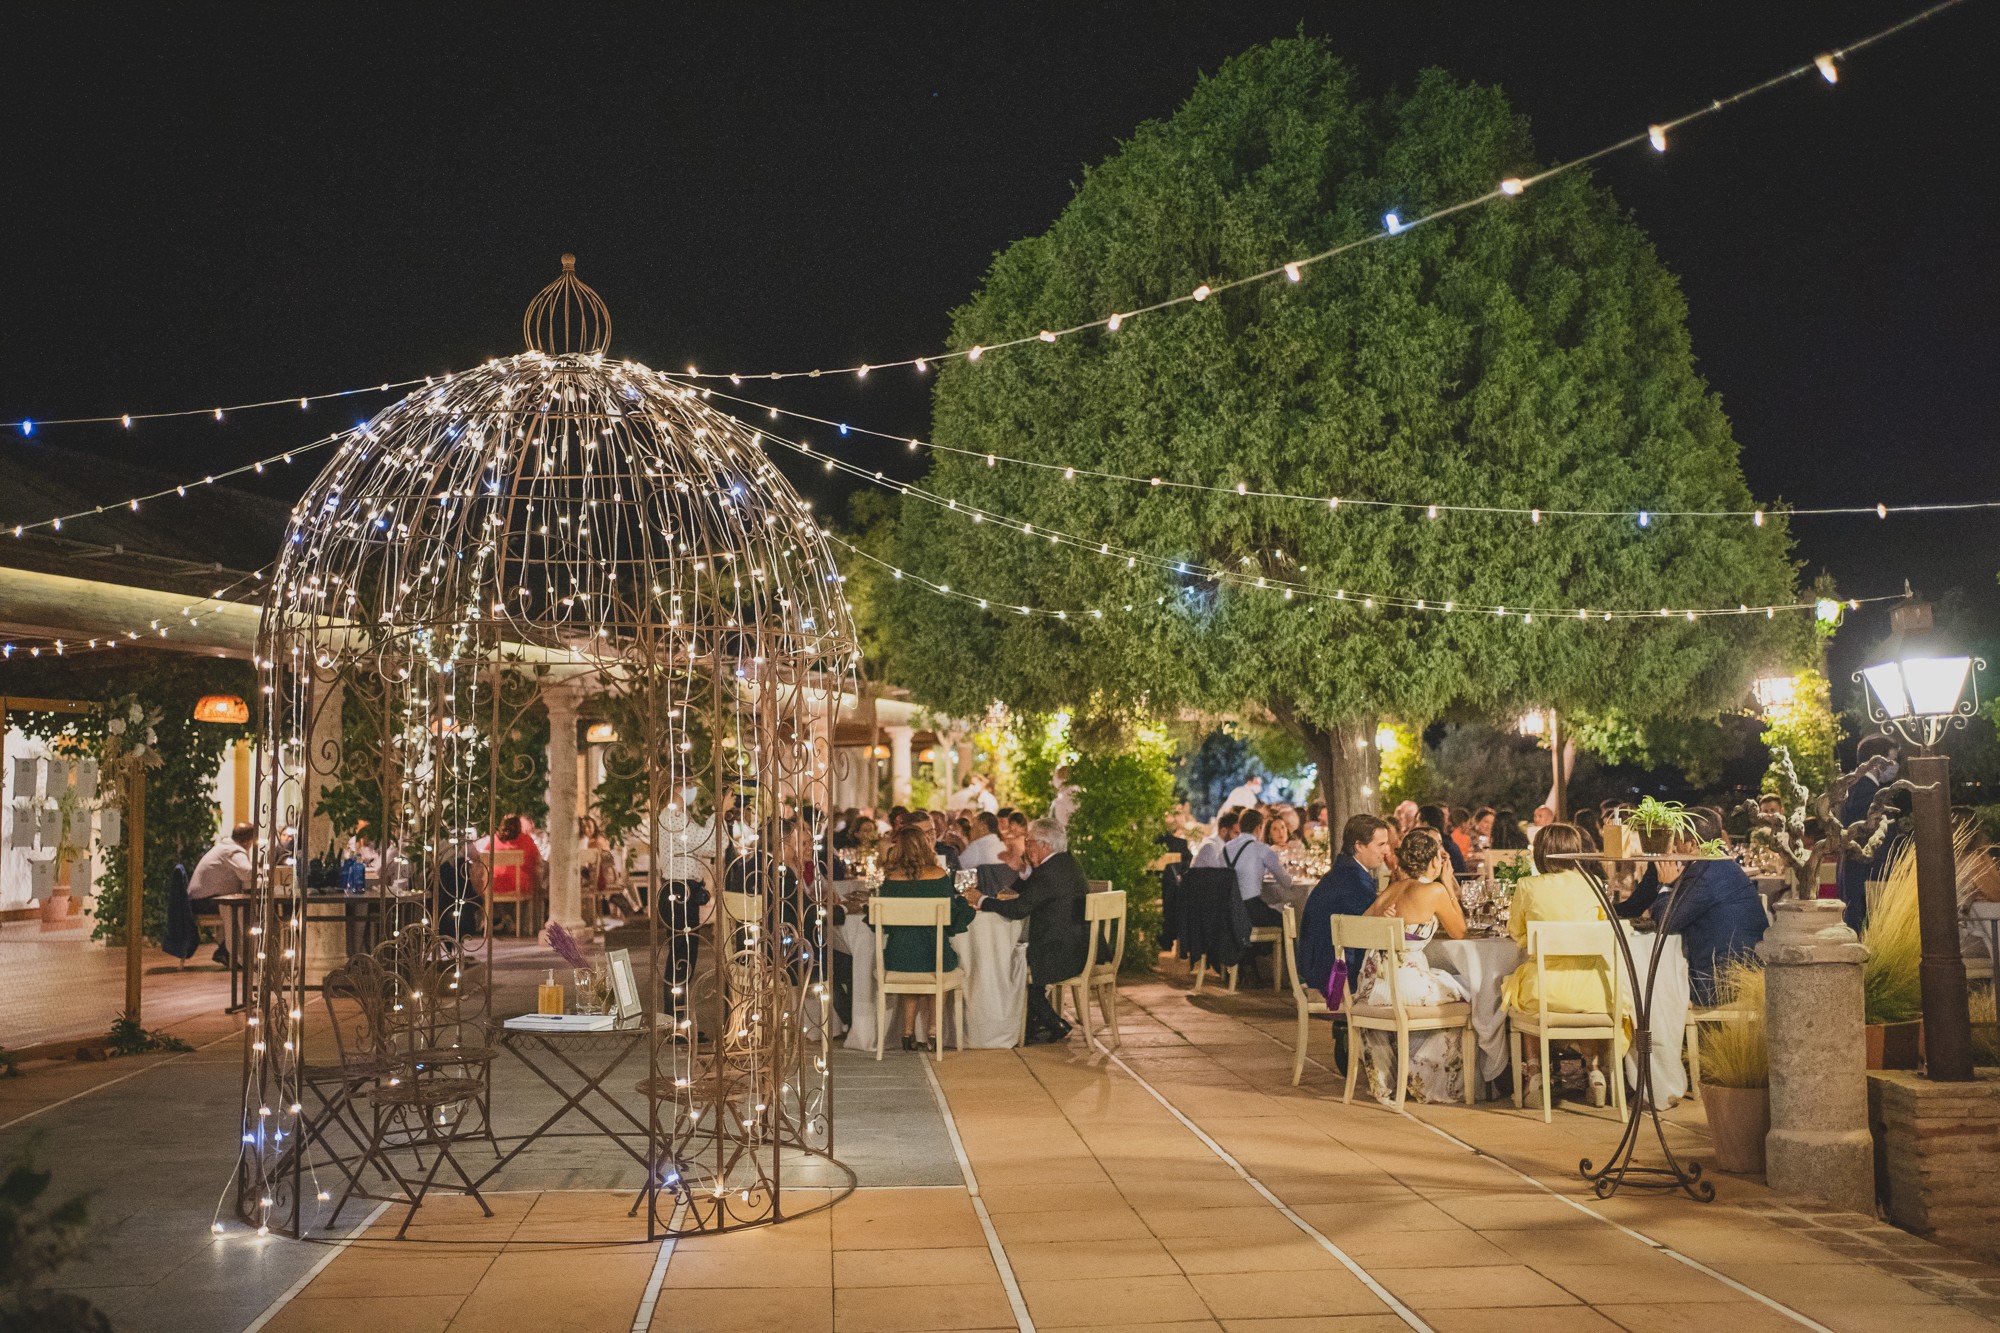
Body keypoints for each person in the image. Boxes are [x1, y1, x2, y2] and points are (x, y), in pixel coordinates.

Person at [1355, 827, 1470, 1103]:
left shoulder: (1391, 890)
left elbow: (1359, 927)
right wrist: (1447, 882)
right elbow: (1460, 931)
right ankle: (1431, 1081)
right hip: (1405, 986)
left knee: (1448, 983)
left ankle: (1404, 1076)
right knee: (1468, 995)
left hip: (1373, 986)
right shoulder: (1433, 890)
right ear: (1434, 862)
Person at [1615, 810, 1768, 1006]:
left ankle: (1655, 1035)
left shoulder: (1705, 875)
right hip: (1744, 972)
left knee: (1643, 979)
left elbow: (1665, 924)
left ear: (1692, 845)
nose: (1672, 847)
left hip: (1722, 983)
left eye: (1676, 840)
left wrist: (1665, 886)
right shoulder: (1719, 865)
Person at [966, 817, 1089, 1044]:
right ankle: (1037, 1023)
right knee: (1017, 956)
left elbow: (1018, 909)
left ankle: (1049, 1022)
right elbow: (1030, 889)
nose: (1026, 847)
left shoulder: (1050, 872)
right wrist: (1023, 870)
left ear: (1044, 845)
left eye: (1029, 842)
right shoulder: (1065, 863)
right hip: (1076, 944)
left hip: (1059, 951)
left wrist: (981, 899)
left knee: (1008, 961)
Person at [871, 825, 974, 1050]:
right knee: (936, 961)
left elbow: (879, 924)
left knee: (912, 960)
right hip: (933, 956)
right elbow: (954, 917)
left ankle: (907, 1033)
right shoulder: (938, 876)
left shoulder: (891, 879)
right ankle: (934, 1032)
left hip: (898, 959)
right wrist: (967, 905)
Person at [1296, 814, 1390, 999]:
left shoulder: (1344, 872)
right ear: (1359, 846)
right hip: (1335, 976)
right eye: (1381, 844)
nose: (1386, 851)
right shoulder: (1354, 880)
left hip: (1317, 964)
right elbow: (1369, 929)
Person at [1838, 734, 1900, 931]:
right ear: (1877, 762)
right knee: (1864, 928)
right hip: (1868, 875)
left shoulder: (1855, 787)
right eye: (1892, 760)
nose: (1895, 766)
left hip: (1859, 873)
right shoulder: (1866, 791)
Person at [189, 822, 256, 966]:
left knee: (240, 905)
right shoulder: (233, 851)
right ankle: (240, 957)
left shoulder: (225, 847)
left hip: (198, 899)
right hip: (205, 902)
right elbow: (248, 873)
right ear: (248, 840)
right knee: (242, 909)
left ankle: (228, 952)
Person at [1218, 809, 1293, 925]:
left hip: (1226, 912)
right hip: (1250, 911)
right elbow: (1286, 882)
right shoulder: (1262, 849)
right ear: (1259, 827)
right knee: (1287, 921)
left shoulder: (1225, 848)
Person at [1417, 804, 1468, 877]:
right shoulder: (1450, 843)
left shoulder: (1434, 846)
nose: (1414, 826)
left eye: (1417, 822)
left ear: (1425, 824)